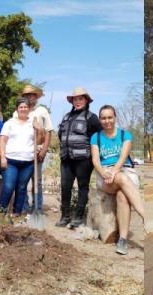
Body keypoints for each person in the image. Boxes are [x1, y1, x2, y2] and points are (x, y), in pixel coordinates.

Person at [90, 105, 144, 255]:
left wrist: (114, 171)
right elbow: (95, 160)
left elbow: (123, 157)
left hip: (124, 170)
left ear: (115, 118)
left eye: (109, 117)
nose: (106, 121)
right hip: (105, 175)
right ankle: (144, 213)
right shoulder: (96, 137)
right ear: (100, 119)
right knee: (120, 178)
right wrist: (105, 173)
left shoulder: (125, 135)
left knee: (122, 196)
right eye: (103, 118)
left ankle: (123, 239)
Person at [56, 87, 102, 228]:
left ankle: (78, 217)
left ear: (86, 100)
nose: (77, 101)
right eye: (75, 99)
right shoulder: (66, 117)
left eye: (80, 99)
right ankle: (65, 216)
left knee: (83, 187)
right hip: (66, 158)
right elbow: (60, 134)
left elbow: (100, 135)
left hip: (84, 160)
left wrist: (95, 153)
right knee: (65, 187)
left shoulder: (92, 118)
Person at [0, 98, 44, 215]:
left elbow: (38, 141)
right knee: (8, 187)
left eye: (25, 107)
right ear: (17, 109)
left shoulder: (33, 123)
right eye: (21, 107)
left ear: (29, 109)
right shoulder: (9, 123)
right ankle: (0, 213)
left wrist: (39, 130)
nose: (23, 109)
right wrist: (3, 157)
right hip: (11, 161)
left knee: (22, 188)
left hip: (28, 162)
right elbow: (2, 141)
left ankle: (16, 213)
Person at [13, 84, 53, 214]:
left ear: (36, 96)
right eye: (26, 95)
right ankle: (23, 207)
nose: (29, 97)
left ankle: (38, 208)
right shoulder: (17, 112)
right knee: (22, 181)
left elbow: (48, 132)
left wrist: (44, 150)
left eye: (32, 95)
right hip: (22, 152)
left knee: (37, 181)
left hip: (38, 150)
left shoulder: (42, 111)